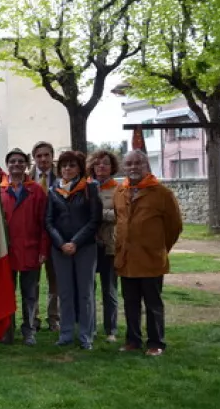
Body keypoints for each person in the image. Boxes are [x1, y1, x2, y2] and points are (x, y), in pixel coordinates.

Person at [114, 150, 182, 357]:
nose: (133, 167)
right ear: (124, 168)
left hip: (151, 259)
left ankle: (156, 342)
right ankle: (133, 340)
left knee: (153, 303)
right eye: (129, 164)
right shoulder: (120, 192)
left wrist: (159, 248)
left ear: (146, 166)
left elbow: (174, 227)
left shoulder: (162, 193)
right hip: (126, 260)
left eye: (138, 163)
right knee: (130, 303)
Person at [45, 150, 102, 349]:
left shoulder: (90, 188)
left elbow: (95, 220)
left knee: (85, 293)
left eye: (72, 165)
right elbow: (49, 221)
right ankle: (66, 333)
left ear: (79, 168)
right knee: (65, 292)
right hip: (60, 249)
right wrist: (61, 243)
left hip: (85, 247)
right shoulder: (53, 190)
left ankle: (86, 335)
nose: (67, 169)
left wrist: (75, 242)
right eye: (64, 165)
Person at [0, 148, 49, 346]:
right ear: (7, 165)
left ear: (26, 165)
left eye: (21, 161)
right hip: (7, 252)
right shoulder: (0, 190)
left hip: (30, 250)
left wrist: (43, 250)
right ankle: (7, 330)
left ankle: (29, 330)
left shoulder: (36, 190)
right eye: (12, 161)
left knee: (30, 295)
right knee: (7, 293)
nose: (16, 164)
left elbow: (44, 222)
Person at [88, 149, 120, 343]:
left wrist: (98, 215)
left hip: (109, 246)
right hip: (89, 245)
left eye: (106, 163)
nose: (101, 166)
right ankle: (89, 327)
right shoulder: (86, 187)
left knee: (109, 290)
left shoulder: (118, 189)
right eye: (98, 163)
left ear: (112, 167)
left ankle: (111, 329)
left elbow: (120, 214)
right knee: (88, 289)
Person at [30, 141, 60, 332]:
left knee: (55, 280)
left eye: (46, 155)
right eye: (39, 156)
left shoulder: (61, 177)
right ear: (34, 158)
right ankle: (33, 318)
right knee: (33, 280)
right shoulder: (27, 178)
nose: (43, 159)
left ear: (52, 156)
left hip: (56, 235)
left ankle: (54, 318)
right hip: (34, 235)